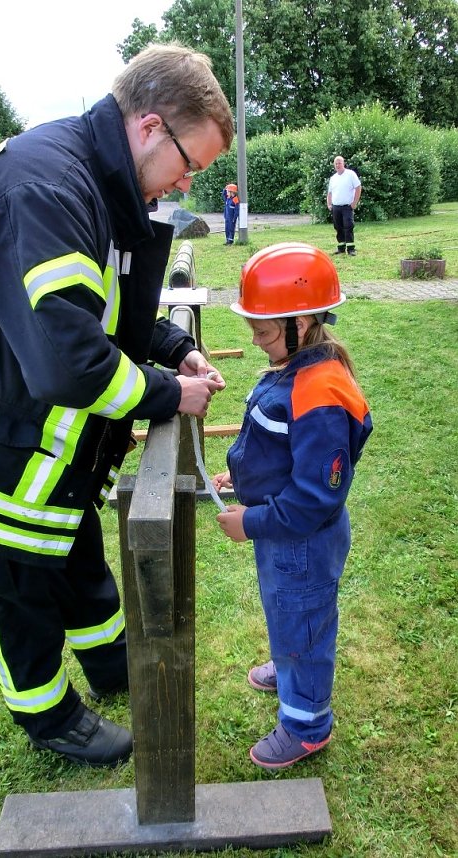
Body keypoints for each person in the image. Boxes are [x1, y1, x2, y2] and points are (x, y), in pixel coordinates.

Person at [0, 43, 234, 768]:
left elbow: (101, 310)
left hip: (36, 444)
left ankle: (108, 664)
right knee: (8, 587)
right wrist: (168, 392)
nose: (185, 183)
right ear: (151, 126)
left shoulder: (98, 180)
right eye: (190, 163)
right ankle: (51, 716)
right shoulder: (43, 186)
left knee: (74, 559)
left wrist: (164, 344)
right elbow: (68, 360)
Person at [212, 242, 372, 769]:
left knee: (302, 618)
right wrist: (239, 483)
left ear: (300, 323)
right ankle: (289, 662)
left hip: (300, 538)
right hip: (285, 535)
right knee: (288, 612)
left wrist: (252, 521)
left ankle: (307, 725)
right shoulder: (292, 368)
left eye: (261, 330)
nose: (255, 340)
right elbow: (277, 455)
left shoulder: (319, 393)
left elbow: (313, 496)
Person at [326, 156, 362, 256]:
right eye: (336, 163)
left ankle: (351, 249)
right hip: (336, 207)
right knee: (338, 227)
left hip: (347, 207)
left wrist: (355, 202)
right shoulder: (333, 178)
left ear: (343, 163)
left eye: (339, 163)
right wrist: (329, 204)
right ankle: (341, 248)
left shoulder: (350, 174)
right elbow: (330, 192)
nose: (338, 165)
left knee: (348, 226)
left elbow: (358, 187)